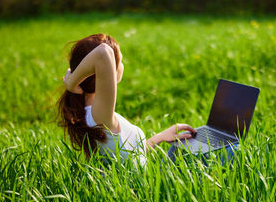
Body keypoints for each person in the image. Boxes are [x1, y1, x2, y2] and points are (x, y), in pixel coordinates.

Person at [57, 34, 197, 168]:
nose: (121, 66)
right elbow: (103, 52)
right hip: (154, 183)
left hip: (154, 175)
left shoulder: (92, 112)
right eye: (119, 62)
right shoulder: (99, 116)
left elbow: (128, 160)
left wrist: (160, 137)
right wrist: (71, 83)